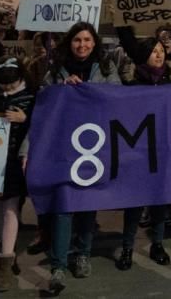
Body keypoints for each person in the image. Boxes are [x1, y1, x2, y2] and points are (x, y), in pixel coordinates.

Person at [43, 21, 121, 293]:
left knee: (88, 203)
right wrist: (62, 88)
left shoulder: (107, 69)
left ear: (95, 43)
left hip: (94, 146)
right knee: (64, 206)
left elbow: (118, 98)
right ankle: (58, 266)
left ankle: (83, 254)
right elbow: (43, 105)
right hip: (64, 147)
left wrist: (92, 91)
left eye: (87, 40)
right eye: (77, 40)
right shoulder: (55, 71)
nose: (82, 45)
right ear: (69, 42)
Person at [115, 36, 171, 271]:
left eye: (161, 51)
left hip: (164, 149)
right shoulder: (130, 84)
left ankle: (157, 244)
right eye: (153, 51)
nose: (159, 54)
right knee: (134, 203)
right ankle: (127, 247)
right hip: (137, 149)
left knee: (160, 200)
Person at [0, 58, 35, 292]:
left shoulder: (32, 96)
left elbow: (43, 123)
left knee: (12, 205)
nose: (6, 88)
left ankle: (5, 260)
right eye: (2, 84)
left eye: (10, 84)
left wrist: (26, 119)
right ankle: (6, 246)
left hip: (16, 159)